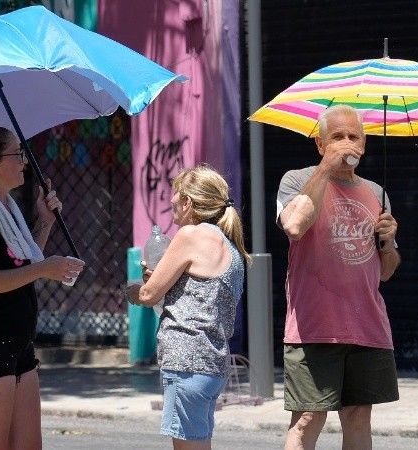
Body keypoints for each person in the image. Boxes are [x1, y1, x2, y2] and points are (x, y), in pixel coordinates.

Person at [0, 124, 85, 450]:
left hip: (17, 343)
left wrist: (45, 222)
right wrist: (44, 268)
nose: (23, 161)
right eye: (16, 154)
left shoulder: (6, 208)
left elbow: (21, 262)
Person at [276, 104, 401, 450]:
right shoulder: (298, 179)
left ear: (364, 143)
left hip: (368, 326)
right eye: (337, 137)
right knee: (307, 419)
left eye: (353, 136)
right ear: (320, 144)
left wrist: (388, 244)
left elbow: (386, 272)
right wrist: (325, 169)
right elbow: (294, 226)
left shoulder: (377, 192)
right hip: (314, 326)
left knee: (359, 416)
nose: (347, 143)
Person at [125, 164, 250, 450]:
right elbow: (196, 293)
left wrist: (135, 290)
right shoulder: (231, 247)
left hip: (186, 358)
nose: (173, 213)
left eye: (174, 204)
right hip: (213, 362)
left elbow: (148, 295)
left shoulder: (190, 235)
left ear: (188, 202)